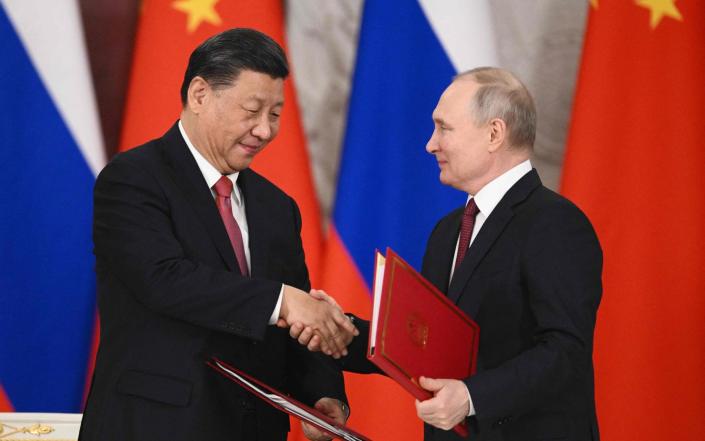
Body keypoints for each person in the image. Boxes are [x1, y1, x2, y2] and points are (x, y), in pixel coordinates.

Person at [293, 67, 602, 441]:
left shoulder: (555, 223)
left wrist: (471, 397)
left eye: (444, 128)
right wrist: (336, 328)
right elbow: (421, 345)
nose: (430, 144)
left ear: (494, 134)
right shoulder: (447, 231)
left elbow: (565, 352)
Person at [79, 28, 357, 441]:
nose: (265, 130)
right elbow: (165, 280)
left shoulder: (277, 207)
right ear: (199, 94)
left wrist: (322, 393)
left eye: (276, 114)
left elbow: (294, 320)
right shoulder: (132, 179)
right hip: (155, 427)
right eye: (253, 110)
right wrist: (283, 302)